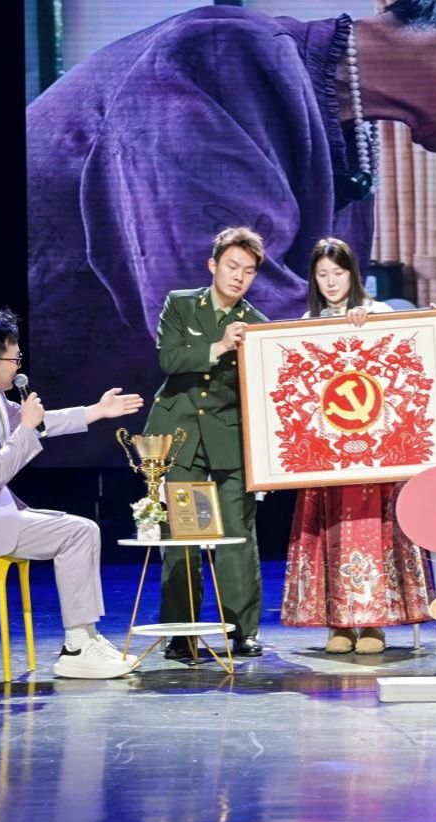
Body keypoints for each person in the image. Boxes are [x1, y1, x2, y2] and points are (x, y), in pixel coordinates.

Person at [26, 1, 436, 431]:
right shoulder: (216, 59)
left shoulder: (347, 119)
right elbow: (223, 327)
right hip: (72, 440)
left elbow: (326, 316)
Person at [0, 308, 145, 679]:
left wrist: (96, 411)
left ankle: (85, 638)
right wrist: (26, 426)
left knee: (82, 529)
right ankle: (77, 647)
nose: (19, 367)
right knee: (78, 532)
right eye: (15, 359)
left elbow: (39, 423)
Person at [281, 237, 433, 654]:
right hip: (328, 455)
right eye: (323, 274)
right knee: (331, 534)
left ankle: (374, 624)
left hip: (374, 452)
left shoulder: (379, 313)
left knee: (373, 532)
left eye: (339, 273)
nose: (331, 282)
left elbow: (409, 363)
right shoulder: (307, 323)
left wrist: (374, 328)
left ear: (353, 274)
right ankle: (340, 624)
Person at [143, 227, 269, 659]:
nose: (239, 277)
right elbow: (169, 358)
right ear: (213, 265)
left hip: (230, 439)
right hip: (181, 436)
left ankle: (243, 630)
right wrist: (218, 346)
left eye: (248, 271)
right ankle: (182, 632)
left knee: (238, 535)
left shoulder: (257, 324)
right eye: (232, 266)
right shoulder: (181, 304)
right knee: (184, 534)